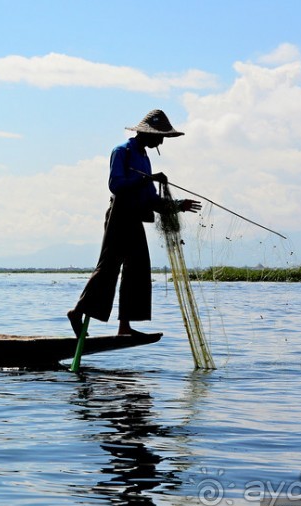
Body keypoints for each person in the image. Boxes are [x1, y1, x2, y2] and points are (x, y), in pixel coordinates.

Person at [67, 109, 201, 339]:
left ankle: (125, 327)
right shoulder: (122, 152)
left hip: (135, 217)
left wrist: (179, 205)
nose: (161, 141)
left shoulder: (144, 158)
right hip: (119, 216)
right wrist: (147, 178)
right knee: (108, 267)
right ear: (146, 134)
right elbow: (116, 185)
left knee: (137, 269)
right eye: (159, 136)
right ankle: (77, 312)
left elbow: (150, 199)